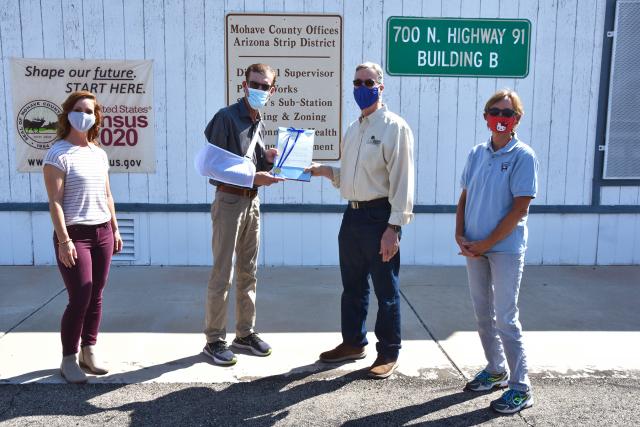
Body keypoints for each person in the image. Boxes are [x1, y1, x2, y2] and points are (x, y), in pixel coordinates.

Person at [307, 62, 414, 379]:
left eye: (368, 82)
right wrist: (323, 170)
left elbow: (403, 181)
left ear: (381, 87)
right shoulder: (354, 130)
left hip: (380, 217)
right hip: (352, 216)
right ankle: (353, 343)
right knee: (352, 287)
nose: (361, 87)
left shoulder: (394, 128)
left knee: (385, 289)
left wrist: (393, 227)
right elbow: (351, 178)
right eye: (356, 82)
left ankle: (388, 352)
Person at [455, 89, 538, 414]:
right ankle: (495, 369)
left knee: (506, 318)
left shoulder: (523, 156)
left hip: (503, 249)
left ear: (516, 119)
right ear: (486, 116)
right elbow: (465, 196)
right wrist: (459, 233)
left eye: (508, 113)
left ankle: (521, 387)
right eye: (495, 111)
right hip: (474, 247)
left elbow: (520, 208)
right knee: (482, 314)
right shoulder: (477, 153)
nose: (501, 118)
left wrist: (487, 243)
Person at [202, 63, 284, 366]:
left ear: (272, 90)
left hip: (252, 202)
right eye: (255, 84)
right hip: (229, 202)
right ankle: (214, 339)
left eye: (265, 86)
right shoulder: (226, 118)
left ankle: (244, 334)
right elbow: (212, 166)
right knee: (222, 272)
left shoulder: (257, 119)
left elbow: (251, 164)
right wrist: (253, 178)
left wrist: (269, 158)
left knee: (249, 271)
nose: (259, 90)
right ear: (244, 84)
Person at [43, 91, 123, 384]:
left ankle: (89, 351)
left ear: (96, 117)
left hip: (101, 231)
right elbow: (55, 202)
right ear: (67, 114)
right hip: (75, 235)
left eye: (89, 110)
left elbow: (107, 195)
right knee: (80, 297)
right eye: (78, 109)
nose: (84, 114)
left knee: (97, 295)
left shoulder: (98, 153)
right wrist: (64, 241)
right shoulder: (58, 154)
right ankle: (68, 358)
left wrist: (114, 228)